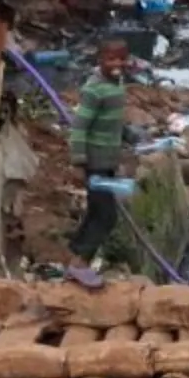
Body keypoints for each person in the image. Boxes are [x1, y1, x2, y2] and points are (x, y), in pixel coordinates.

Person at [67, 38, 132, 265]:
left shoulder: (117, 84)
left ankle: (74, 252)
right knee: (106, 216)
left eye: (122, 58)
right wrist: (78, 161)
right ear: (100, 60)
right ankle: (80, 262)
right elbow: (79, 127)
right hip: (95, 162)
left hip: (108, 162)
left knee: (96, 211)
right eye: (111, 59)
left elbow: (113, 121)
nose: (117, 63)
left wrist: (128, 136)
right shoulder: (94, 90)